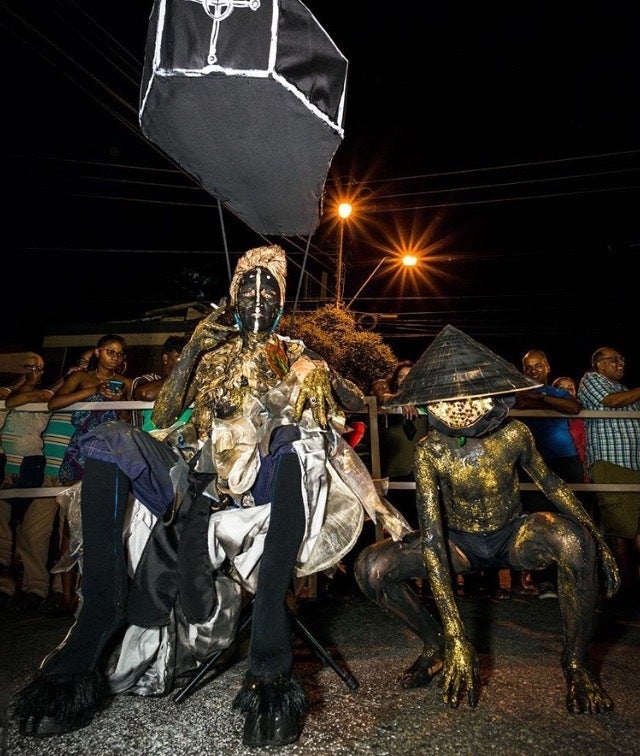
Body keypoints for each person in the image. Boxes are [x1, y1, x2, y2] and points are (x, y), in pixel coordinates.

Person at [13, 244, 411, 747]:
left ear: (283, 302)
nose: (260, 296)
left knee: (292, 436)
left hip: (263, 484)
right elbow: (162, 416)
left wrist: (318, 371)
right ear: (233, 297)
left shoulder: (295, 352)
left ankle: (270, 663)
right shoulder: (212, 352)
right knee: (110, 439)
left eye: (271, 288)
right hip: (193, 479)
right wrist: (199, 341)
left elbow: (353, 401)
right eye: (250, 286)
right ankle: (98, 618)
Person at [354, 325, 620, 715]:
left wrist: (598, 541)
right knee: (371, 566)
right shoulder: (431, 451)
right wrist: (459, 634)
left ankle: (576, 664)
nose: (460, 406)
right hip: (459, 542)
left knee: (572, 540)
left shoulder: (514, 434)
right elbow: (431, 537)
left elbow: (552, 484)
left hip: (514, 535)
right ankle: (437, 646)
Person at [513, 350, 584, 600]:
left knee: (573, 516)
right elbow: (520, 404)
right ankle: (545, 582)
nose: (533, 370)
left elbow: (573, 406)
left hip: (565, 460)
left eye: (538, 366)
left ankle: (574, 578)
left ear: (547, 367)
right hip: (532, 462)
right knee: (539, 520)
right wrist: (542, 400)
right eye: (528, 366)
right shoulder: (519, 391)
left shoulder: (556, 391)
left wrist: (539, 397)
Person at [578, 347, 640, 618]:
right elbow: (612, 402)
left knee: (633, 528)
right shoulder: (591, 379)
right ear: (599, 364)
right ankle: (624, 593)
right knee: (620, 529)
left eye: (622, 358)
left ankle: (629, 591)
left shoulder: (627, 389)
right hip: (612, 462)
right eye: (614, 359)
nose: (620, 362)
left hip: (634, 464)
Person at [0, 354, 60, 611]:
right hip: (6, 469)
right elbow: (13, 399)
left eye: (41, 368)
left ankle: (35, 588)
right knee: (2, 534)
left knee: (33, 533)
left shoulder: (43, 397)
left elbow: (45, 397)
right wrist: (20, 385)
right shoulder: (5, 397)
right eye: (32, 368)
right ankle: (4, 587)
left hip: (33, 467)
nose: (38, 372)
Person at [49, 334, 132, 486]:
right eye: (111, 352)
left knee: (100, 492)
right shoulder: (81, 377)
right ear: (98, 352)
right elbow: (53, 403)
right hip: (81, 442)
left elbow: (129, 420)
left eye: (120, 354)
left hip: (110, 445)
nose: (115, 357)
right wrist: (94, 390)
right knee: (72, 495)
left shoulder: (126, 382)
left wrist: (121, 400)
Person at [130, 336, 189, 430]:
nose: (185, 363)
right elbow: (145, 394)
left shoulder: (190, 383)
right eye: (180, 358)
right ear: (166, 358)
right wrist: (179, 375)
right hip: (147, 441)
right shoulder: (147, 380)